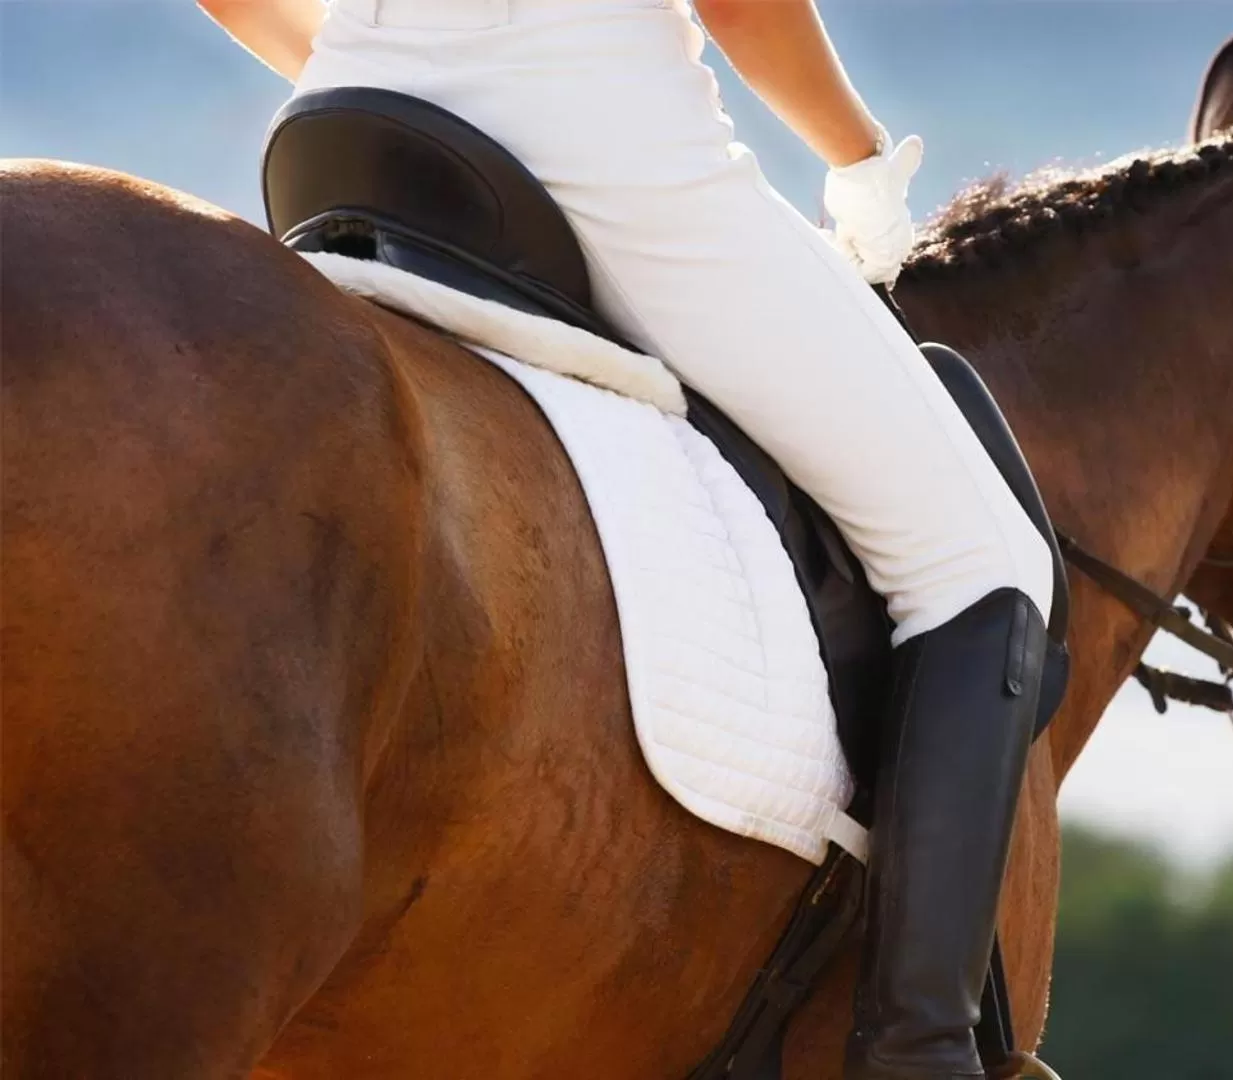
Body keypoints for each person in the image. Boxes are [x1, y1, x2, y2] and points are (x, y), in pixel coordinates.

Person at [197, 1, 1057, 1077]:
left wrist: (360, 50)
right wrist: (858, 161)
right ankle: (916, 1049)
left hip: (350, 134)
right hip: (595, 145)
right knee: (975, 563)